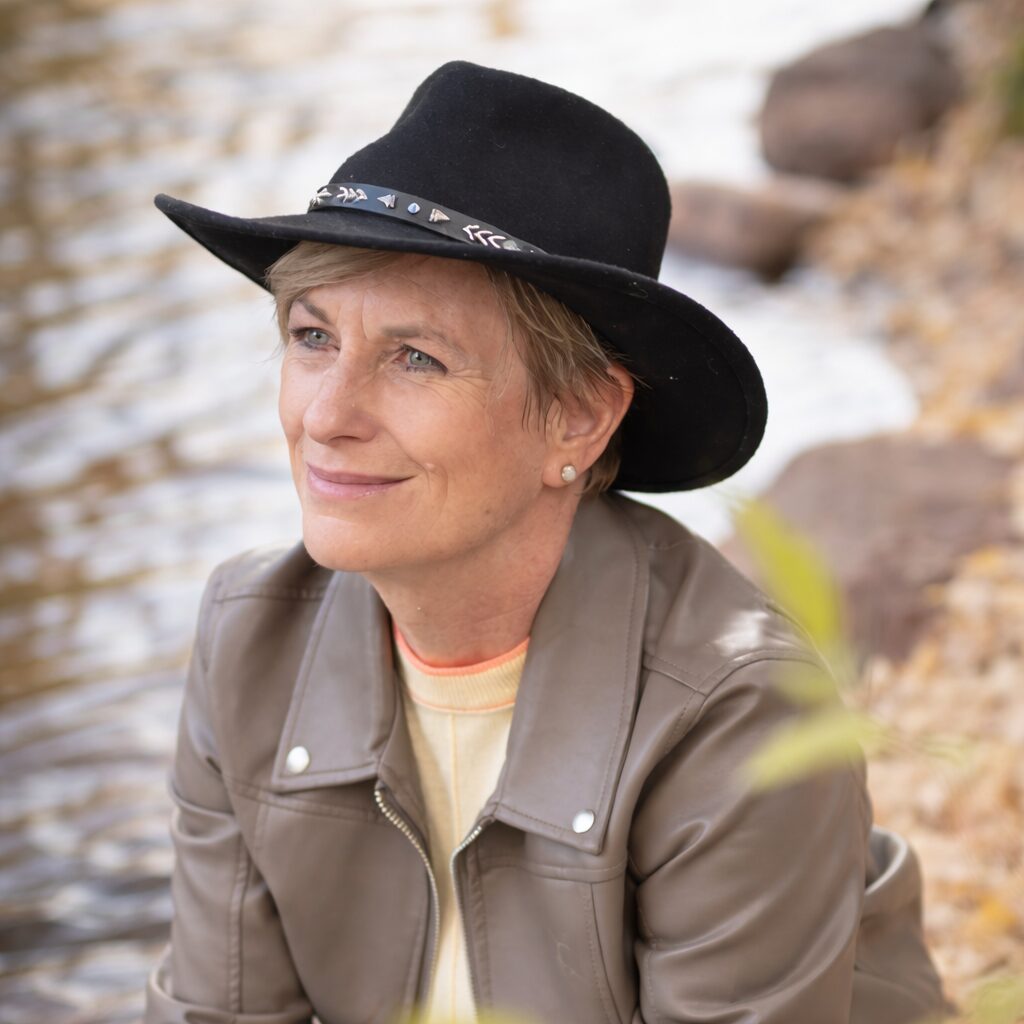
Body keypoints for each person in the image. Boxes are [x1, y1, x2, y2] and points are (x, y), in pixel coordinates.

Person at [145, 62, 950, 1024]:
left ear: (579, 417)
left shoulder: (734, 716)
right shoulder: (248, 644)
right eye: (313, 338)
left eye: (415, 358)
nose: (326, 416)